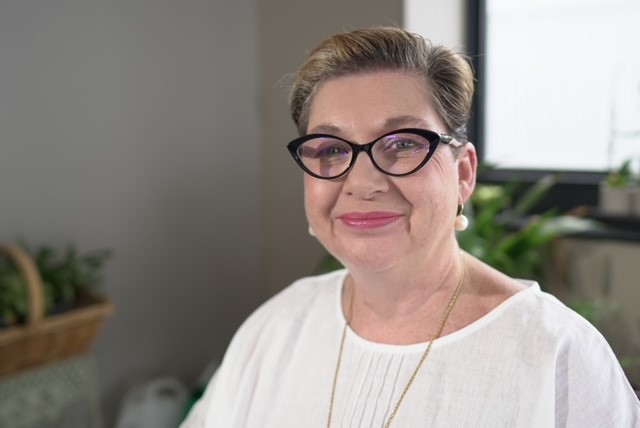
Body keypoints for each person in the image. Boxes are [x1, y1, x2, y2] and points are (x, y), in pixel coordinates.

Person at [182, 26, 640, 427]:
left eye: (401, 143)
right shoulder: (275, 329)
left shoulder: (555, 354)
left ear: (463, 173)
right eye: (330, 150)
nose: (362, 182)